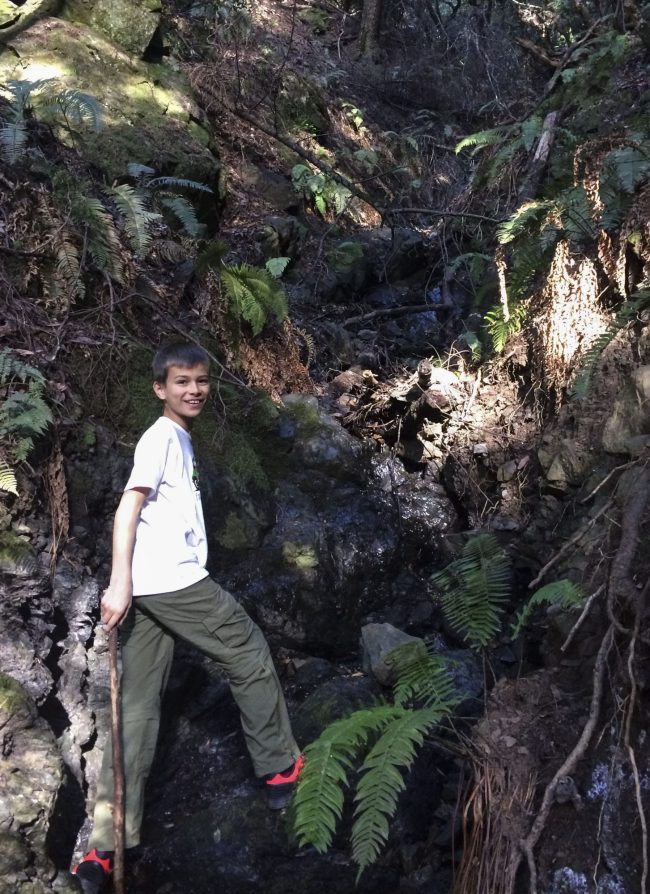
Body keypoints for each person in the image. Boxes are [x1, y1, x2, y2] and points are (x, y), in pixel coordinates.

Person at [73, 341, 302, 894]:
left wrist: (131, 587)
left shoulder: (178, 437)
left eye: (201, 380)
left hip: (150, 589)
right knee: (247, 650)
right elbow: (128, 507)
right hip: (172, 581)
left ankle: (105, 847)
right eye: (181, 382)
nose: (194, 390)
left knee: (136, 708)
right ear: (160, 389)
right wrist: (119, 582)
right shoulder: (160, 438)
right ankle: (279, 768)